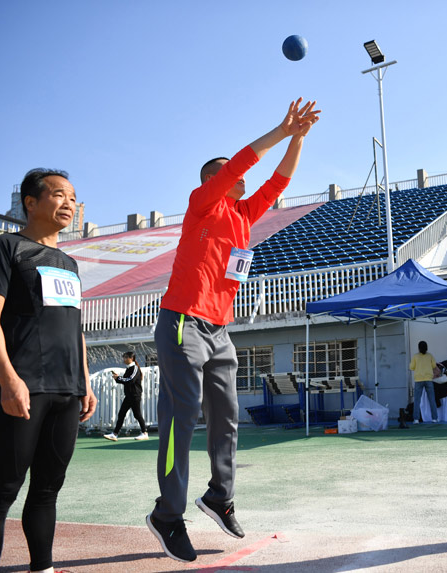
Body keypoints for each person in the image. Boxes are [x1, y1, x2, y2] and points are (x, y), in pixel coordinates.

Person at [147, 98, 320, 563]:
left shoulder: (243, 217)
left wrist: (299, 139)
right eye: (231, 173)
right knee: (182, 420)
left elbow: (279, 180)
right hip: (182, 321)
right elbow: (246, 160)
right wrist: (282, 130)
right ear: (213, 180)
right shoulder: (201, 204)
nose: (242, 178)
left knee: (226, 416)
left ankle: (219, 495)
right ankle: (167, 514)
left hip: (219, 331)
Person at [0, 168, 98, 573]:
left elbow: (73, 326)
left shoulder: (69, 263)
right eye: (59, 194)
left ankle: (42, 567)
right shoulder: (6, 248)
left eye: (73, 197)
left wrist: (86, 381)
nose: (69, 203)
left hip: (67, 391)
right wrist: (8, 379)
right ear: (31, 202)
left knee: (47, 491)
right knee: (3, 491)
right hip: (25, 386)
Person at [103, 351, 148, 441]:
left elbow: (130, 380)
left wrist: (118, 378)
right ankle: (114, 434)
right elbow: (126, 381)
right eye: (124, 357)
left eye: (126, 357)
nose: (124, 359)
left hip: (135, 395)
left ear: (131, 358)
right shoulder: (128, 368)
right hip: (129, 396)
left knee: (137, 414)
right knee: (121, 414)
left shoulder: (134, 368)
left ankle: (144, 433)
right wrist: (118, 378)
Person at [408, 340, 440, 423]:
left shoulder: (415, 356)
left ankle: (416, 419)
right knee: (432, 399)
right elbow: (433, 366)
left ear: (418, 348)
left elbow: (411, 367)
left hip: (418, 379)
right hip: (428, 379)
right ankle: (434, 418)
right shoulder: (430, 356)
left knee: (417, 400)